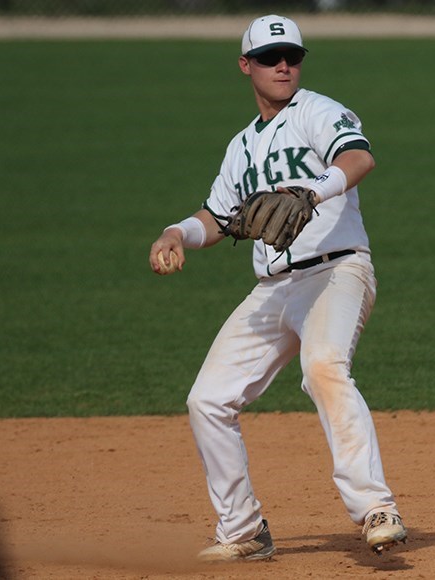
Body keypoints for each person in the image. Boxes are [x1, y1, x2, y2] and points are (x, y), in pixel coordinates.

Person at [148, 14, 407, 562]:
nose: (283, 64)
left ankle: (376, 509)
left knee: (324, 368)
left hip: (337, 272)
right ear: (247, 66)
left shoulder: (318, 110)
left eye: (292, 54)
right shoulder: (241, 146)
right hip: (273, 289)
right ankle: (243, 530)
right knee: (208, 400)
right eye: (270, 58)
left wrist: (312, 193)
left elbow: (359, 157)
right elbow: (219, 218)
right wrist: (177, 232)